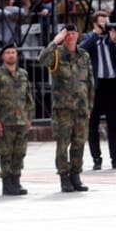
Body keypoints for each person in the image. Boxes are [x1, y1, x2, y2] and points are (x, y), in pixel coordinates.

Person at [39, 25, 93, 192]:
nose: (70, 37)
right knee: (63, 144)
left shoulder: (84, 55)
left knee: (79, 142)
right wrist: (55, 41)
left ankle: (76, 175)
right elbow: (42, 59)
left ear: (78, 35)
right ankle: (64, 176)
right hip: (63, 109)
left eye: (73, 34)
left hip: (81, 108)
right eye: (67, 34)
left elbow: (90, 82)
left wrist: (90, 105)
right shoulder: (56, 54)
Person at [80, 11, 116, 170]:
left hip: (111, 84)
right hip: (95, 86)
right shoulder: (88, 37)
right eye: (102, 23)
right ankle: (97, 159)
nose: (106, 26)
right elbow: (82, 50)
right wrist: (96, 34)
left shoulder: (111, 38)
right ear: (95, 24)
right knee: (93, 124)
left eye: (107, 23)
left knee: (113, 124)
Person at [0, 44, 34, 195]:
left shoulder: (23, 74)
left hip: (21, 120)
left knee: (19, 153)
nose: (11, 55)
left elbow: (29, 98)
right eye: (8, 53)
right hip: (5, 122)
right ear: (2, 56)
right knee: (6, 153)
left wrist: (29, 118)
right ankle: (7, 183)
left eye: (13, 52)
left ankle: (16, 180)